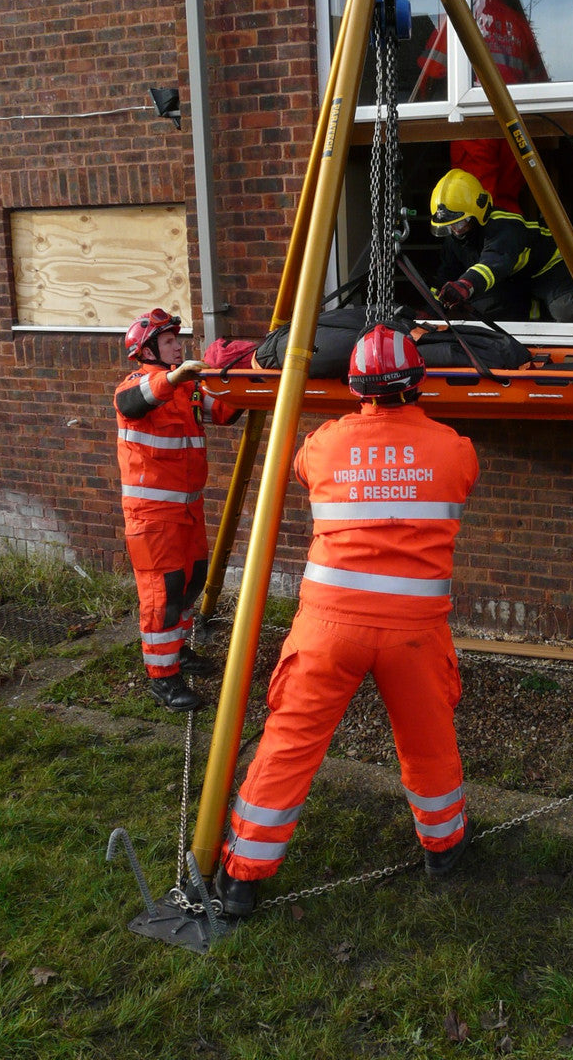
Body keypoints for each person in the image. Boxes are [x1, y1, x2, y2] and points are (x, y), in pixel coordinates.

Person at [213, 324, 480, 918]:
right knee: (427, 741)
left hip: (328, 627)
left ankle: (242, 879)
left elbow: (307, 471)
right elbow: (457, 480)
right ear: (418, 382)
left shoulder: (323, 444)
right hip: (414, 631)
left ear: (353, 384)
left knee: (290, 741)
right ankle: (444, 847)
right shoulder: (455, 449)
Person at [114, 307, 243, 712]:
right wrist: (175, 377)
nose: (177, 346)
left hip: (188, 512)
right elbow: (137, 401)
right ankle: (162, 679)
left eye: (176, 340)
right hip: (151, 517)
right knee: (162, 595)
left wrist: (240, 377)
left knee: (191, 583)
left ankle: (178, 653)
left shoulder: (185, 392)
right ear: (147, 350)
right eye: (168, 341)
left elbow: (224, 412)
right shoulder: (136, 385)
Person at [416, 0, 548, 216]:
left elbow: (430, 72)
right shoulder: (519, 23)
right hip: (515, 121)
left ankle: (484, 257)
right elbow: (541, 82)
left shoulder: (462, 16)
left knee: (473, 203)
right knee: (508, 199)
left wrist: (417, 107)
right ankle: (508, 253)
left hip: (475, 121)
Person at [430, 168, 573, 323]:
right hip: (513, 277)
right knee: (484, 309)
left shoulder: (504, 225)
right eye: (449, 225)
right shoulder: (455, 239)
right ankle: (531, 306)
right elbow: (447, 274)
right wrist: (432, 308)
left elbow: (494, 262)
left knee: (567, 311)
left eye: (459, 222)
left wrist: (465, 284)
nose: (456, 230)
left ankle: (544, 309)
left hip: (549, 269)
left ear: (477, 211)